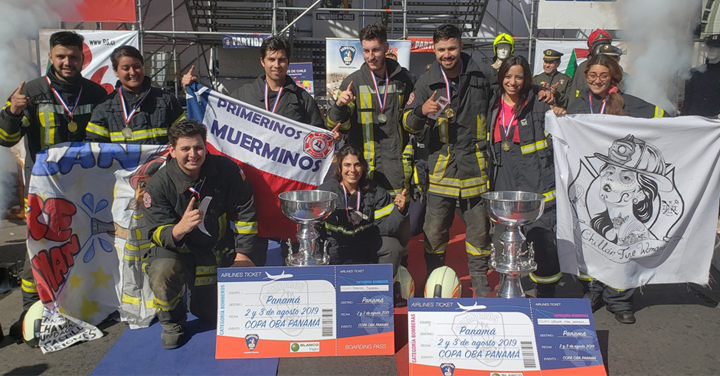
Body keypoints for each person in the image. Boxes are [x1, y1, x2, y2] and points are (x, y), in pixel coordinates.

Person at [0, 31, 108, 342]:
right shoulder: (31, 92)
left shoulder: (96, 93)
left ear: (82, 58)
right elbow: (5, 139)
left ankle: (82, 303)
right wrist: (12, 112)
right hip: (44, 189)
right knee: (39, 248)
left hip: (85, 188)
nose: (67, 62)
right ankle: (30, 310)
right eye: (61, 56)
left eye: (73, 57)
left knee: (84, 243)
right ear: (50, 57)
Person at [556, 54, 666, 324]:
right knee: (590, 236)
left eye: (603, 75)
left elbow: (666, 120)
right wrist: (559, 115)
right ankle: (592, 291)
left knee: (624, 240)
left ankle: (619, 299)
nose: (596, 80)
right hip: (588, 185)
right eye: (592, 75)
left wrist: (705, 124)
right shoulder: (578, 104)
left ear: (613, 77)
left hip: (624, 189)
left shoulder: (628, 103)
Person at [139, 119, 263, 349]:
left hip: (214, 247)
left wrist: (243, 254)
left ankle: (198, 299)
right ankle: (172, 323)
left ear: (206, 147)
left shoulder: (226, 170)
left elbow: (246, 210)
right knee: (162, 271)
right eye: (185, 149)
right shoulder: (158, 184)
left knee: (208, 313)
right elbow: (153, 232)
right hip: (176, 250)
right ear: (172, 151)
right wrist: (179, 228)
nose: (193, 154)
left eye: (198, 147)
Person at [403, 24, 496, 297]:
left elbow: (513, 89)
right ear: (434, 50)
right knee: (434, 231)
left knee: (480, 230)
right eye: (442, 49)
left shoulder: (483, 75)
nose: (447, 54)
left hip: (475, 167)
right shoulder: (425, 81)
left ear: (461, 46)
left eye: (452, 48)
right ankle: (435, 277)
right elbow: (408, 125)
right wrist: (421, 111)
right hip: (441, 168)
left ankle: (478, 277)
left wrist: (541, 91)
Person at [326, 23, 416, 260]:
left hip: (396, 167)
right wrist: (339, 105)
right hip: (363, 169)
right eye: (366, 50)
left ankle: (399, 273)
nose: (371, 56)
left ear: (386, 47)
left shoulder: (405, 80)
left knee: (399, 225)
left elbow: (413, 120)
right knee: (362, 224)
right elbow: (336, 125)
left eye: (376, 50)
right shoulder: (353, 81)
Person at [489, 56, 561, 298]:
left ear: (527, 79)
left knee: (540, 237)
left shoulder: (539, 103)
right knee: (504, 236)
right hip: (503, 174)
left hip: (535, 176)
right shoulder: (492, 102)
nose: (513, 82)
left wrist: (555, 104)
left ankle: (546, 290)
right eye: (508, 76)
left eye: (519, 77)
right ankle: (507, 286)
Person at [318, 145, 405, 275]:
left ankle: (381, 287)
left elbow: (386, 228)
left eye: (357, 165)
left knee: (392, 246)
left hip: (364, 243)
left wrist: (399, 211)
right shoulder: (325, 191)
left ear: (363, 167)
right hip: (336, 246)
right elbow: (315, 226)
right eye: (347, 165)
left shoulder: (376, 191)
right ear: (340, 167)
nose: (352, 170)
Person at [86, 46, 185, 144]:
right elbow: (95, 147)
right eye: (125, 68)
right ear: (116, 71)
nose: (132, 72)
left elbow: (185, 136)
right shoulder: (104, 107)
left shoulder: (166, 100)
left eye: (137, 67)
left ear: (143, 66)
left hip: (161, 160)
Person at [566, 29, 613, 107]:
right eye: (599, 48)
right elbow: (574, 95)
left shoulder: (614, 67)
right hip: (586, 110)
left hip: (609, 109)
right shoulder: (583, 68)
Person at [683, 34, 720, 117]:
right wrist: (683, 119)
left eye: (716, 47)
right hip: (694, 121)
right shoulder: (695, 72)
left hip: (715, 124)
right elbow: (687, 101)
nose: (711, 49)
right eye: (709, 46)